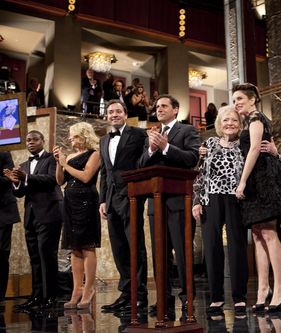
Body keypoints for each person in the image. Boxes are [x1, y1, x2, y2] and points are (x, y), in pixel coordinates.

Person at [193, 105, 280, 316]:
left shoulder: (245, 143)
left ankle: (239, 297)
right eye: (225, 120)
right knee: (212, 247)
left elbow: (264, 164)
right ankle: (216, 297)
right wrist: (196, 201)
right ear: (219, 125)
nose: (230, 123)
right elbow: (200, 175)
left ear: (239, 124)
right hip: (210, 199)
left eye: (233, 120)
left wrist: (276, 152)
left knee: (237, 247)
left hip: (237, 199)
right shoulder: (209, 144)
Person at [233, 83, 281, 314]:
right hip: (255, 181)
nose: (237, 102)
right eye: (235, 99)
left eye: (240, 98)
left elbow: (255, 149)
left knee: (268, 233)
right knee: (258, 235)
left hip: (263, 182)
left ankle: (279, 288)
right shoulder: (251, 121)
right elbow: (268, 147)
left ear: (252, 100)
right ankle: (263, 289)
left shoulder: (257, 118)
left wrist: (242, 181)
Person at [137, 94, 200, 320]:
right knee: (159, 254)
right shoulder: (151, 136)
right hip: (156, 203)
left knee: (182, 254)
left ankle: (187, 299)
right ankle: (163, 298)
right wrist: (153, 149)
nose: (159, 109)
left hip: (179, 201)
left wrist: (166, 147)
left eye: (164, 106)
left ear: (176, 109)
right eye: (157, 107)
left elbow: (191, 158)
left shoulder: (187, 131)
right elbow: (141, 165)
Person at [99, 100, 149, 315]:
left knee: (134, 244)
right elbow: (104, 172)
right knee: (119, 247)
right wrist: (102, 200)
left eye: (118, 111)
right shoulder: (103, 140)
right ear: (106, 116)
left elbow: (144, 162)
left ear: (125, 114)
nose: (114, 115)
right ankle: (126, 293)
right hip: (111, 199)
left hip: (132, 195)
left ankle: (140, 294)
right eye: (110, 112)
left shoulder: (138, 135)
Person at [3, 130, 63, 310]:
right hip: (31, 217)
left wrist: (26, 177)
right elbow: (19, 193)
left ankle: (50, 297)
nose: (30, 143)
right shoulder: (23, 165)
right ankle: (36, 297)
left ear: (43, 141)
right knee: (35, 258)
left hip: (49, 214)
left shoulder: (52, 159)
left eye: (35, 139)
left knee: (47, 256)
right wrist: (14, 181)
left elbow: (52, 180)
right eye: (28, 140)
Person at [53, 122, 101, 310]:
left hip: (86, 201)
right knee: (74, 248)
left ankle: (89, 289)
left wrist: (65, 163)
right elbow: (60, 181)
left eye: (74, 136)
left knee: (87, 246)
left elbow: (86, 177)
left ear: (84, 136)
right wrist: (59, 163)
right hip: (70, 203)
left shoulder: (94, 154)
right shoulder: (71, 156)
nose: (70, 139)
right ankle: (77, 290)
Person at [0, 152, 20, 303]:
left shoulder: (4, 154)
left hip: (3, 212)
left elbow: (9, 180)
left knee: (1, 255)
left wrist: (5, 179)